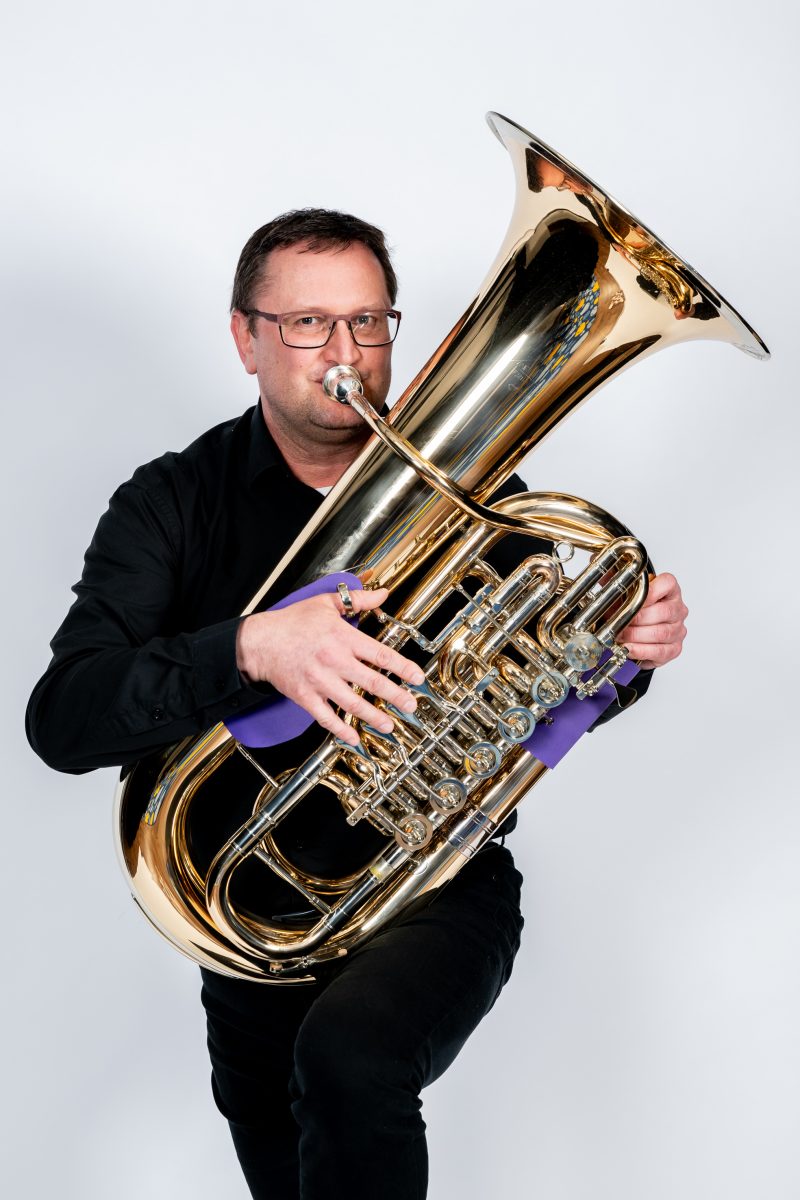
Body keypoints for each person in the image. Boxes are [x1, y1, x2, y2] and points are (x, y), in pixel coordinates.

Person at [26, 209, 688, 1199]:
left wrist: (625, 649)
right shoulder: (170, 504)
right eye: (307, 324)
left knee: (349, 1060)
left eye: (368, 322)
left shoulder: (475, 492)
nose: (346, 353)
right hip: (252, 927)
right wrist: (251, 647)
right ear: (246, 338)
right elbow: (64, 720)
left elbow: (541, 674)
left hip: (439, 886)